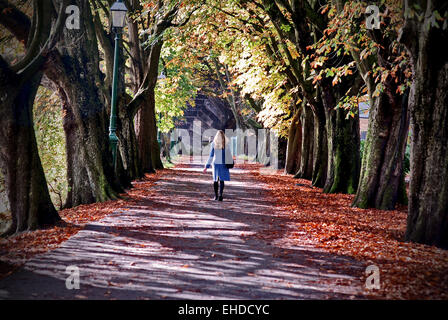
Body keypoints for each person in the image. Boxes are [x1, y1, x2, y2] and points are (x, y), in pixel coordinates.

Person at [203, 130, 233, 201]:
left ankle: (216, 196)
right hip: (223, 163)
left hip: (216, 163)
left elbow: (211, 156)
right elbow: (228, 155)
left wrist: (206, 166)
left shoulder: (213, 144)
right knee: (222, 180)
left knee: (215, 179)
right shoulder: (226, 144)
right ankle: (220, 195)